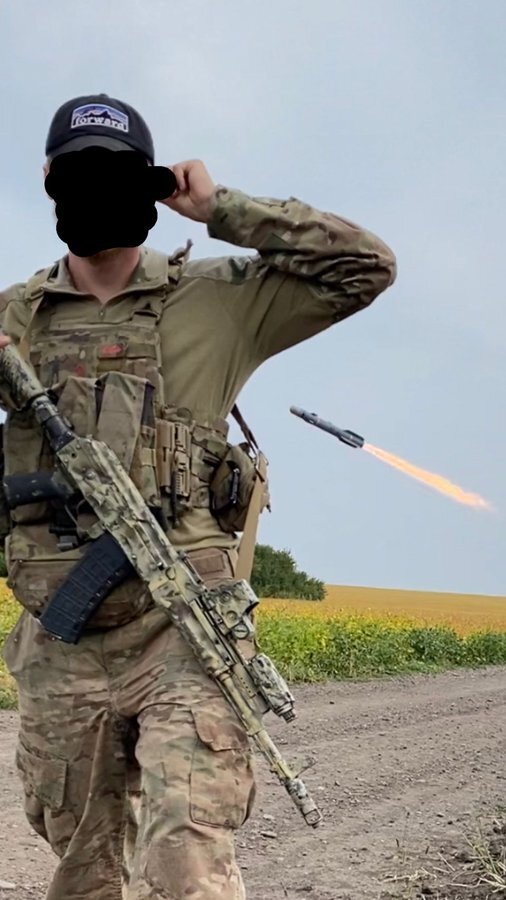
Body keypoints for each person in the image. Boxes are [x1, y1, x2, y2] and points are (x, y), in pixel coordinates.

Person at [0, 93, 397, 900]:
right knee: (79, 866)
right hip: (62, 636)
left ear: (150, 183)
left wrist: (223, 209)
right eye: (79, 174)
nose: (95, 189)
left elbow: (367, 266)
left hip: (182, 624)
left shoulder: (219, 297)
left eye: (117, 174)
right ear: (48, 182)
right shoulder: (16, 319)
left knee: (187, 853)